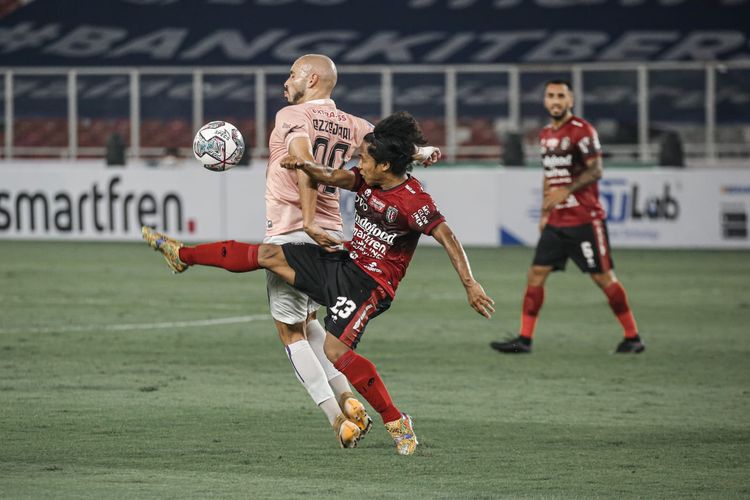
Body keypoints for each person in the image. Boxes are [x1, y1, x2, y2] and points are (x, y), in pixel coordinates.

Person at [142, 111, 495, 455]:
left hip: (370, 286)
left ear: (385, 166)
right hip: (344, 263)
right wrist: (304, 166)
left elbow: (447, 236)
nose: (361, 162)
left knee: (334, 351)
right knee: (270, 255)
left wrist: (470, 284)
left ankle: (397, 422)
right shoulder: (369, 178)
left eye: (366, 159)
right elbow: (337, 177)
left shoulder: (413, 201)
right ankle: (182, 256)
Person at [490, 79, 644, 355]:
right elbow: (549, 177)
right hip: (556, 221)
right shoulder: (546, 134)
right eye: (550, 95)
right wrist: (545, 211)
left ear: (570, 100)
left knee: (603, 278)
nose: (556, 100)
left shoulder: (582, 131)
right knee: (536, 274)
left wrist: (567, 191)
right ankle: (525, 339)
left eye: (561, 95)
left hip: (585, 219)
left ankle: (632, 337)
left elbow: (596, 170)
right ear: (545, 101)